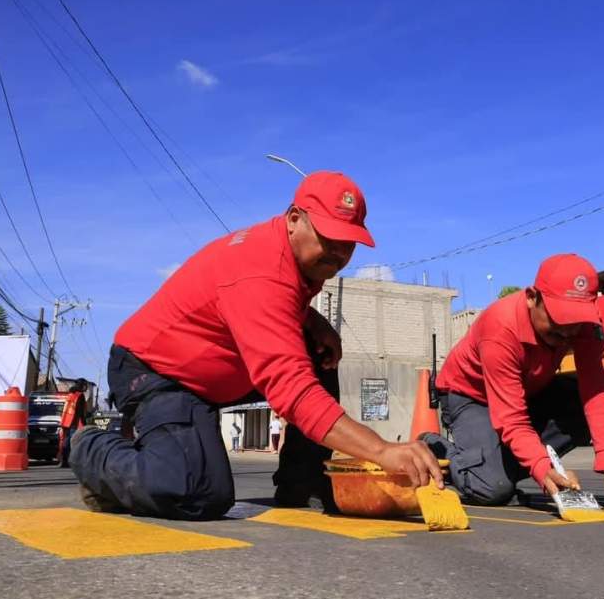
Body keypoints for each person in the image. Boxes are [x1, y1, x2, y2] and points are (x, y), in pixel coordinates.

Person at [70, 171, 442, 520]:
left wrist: (310, 319)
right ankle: (91, 450)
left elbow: (265, 305)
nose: (339, 254)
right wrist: (381, 450)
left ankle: (303, 483)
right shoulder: (259, 270)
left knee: (318, 354)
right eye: (329, 238)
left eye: (349, 243)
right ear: (294, 218)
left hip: (214, 373)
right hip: (155, 371)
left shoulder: (293, 258)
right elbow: (291, 389)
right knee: (196, 492)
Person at [423, 254, 604, 516]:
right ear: (532, 297)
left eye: (574, 323)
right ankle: (434, 448)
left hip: (526, 390)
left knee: (577, 406)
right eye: (558, 324)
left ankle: (492, 466)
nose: (567, 334)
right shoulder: (500, 328)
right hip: (469, 396)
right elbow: (512, 419)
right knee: (493, 489)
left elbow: (595, 393)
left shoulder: (587, 326)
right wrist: (543, 468)